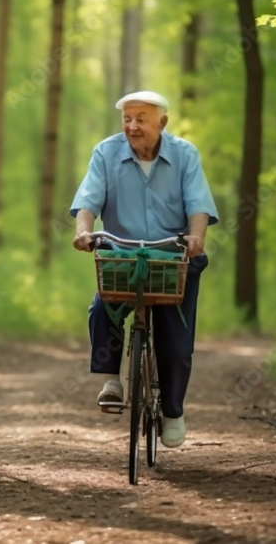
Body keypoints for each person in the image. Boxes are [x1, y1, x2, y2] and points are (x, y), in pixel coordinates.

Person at [70, 90, 218, 448]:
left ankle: (172, 411)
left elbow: (198, 206)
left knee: (176, 341)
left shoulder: (185, 154)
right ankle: (112, 379)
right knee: (101, 306)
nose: (132, 127)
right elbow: (89, 201)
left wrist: (196, 238)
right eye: (127, 119)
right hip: (122, 251)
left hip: (172, 254)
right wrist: (84, 232)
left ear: (162, 123)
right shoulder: (106, 152)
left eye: (141, 119)